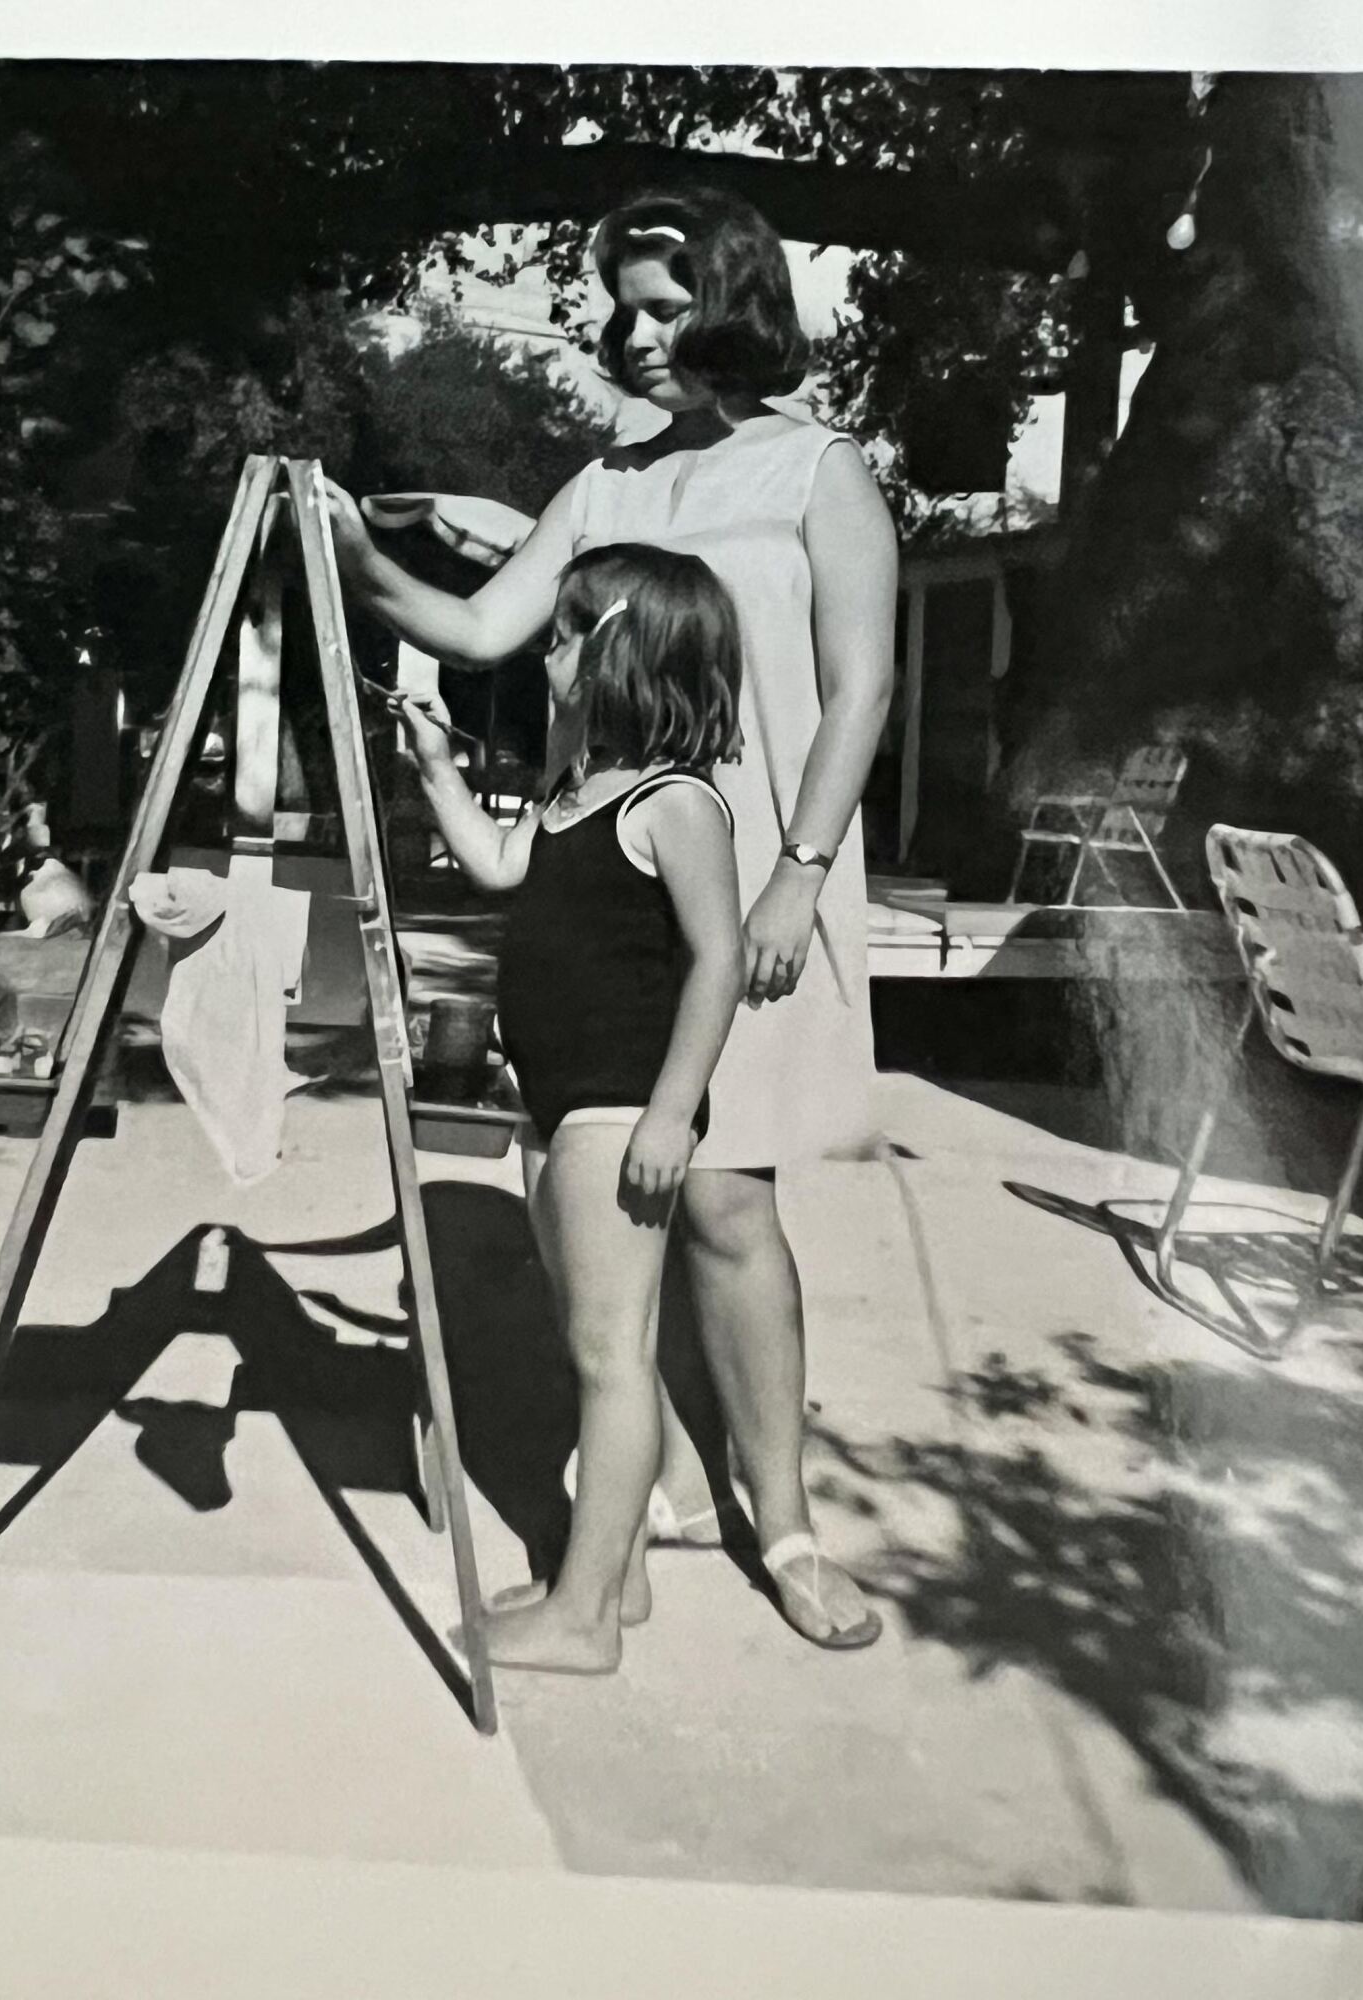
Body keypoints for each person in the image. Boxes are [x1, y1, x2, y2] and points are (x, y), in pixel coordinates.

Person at [327, 184, 897, 1650]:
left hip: (755, 881)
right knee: (641, 1203)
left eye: (663, 304)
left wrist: (801, 869)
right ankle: (641, 1506)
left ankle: (791, 1527)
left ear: (731, 304)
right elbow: (478, 630)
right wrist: (357, 563)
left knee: (728, 1202)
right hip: (616, 891)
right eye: (622, 306)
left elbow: (862, 690)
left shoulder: (824, 469)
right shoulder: (606, 487)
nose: (633, 333)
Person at [392, 544, 746, 1674]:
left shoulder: (674, 802)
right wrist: (437, 767)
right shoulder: (574, 787)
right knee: (599, 1347)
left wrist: (671, 1112)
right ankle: (616, 1574)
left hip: (619, 1102)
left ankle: (583, 1615)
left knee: (607, 1352)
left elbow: (719, 959)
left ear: (615, 647)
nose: (542, 650)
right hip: (558, 1100)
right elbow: (500, 866)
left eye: (561, 632)